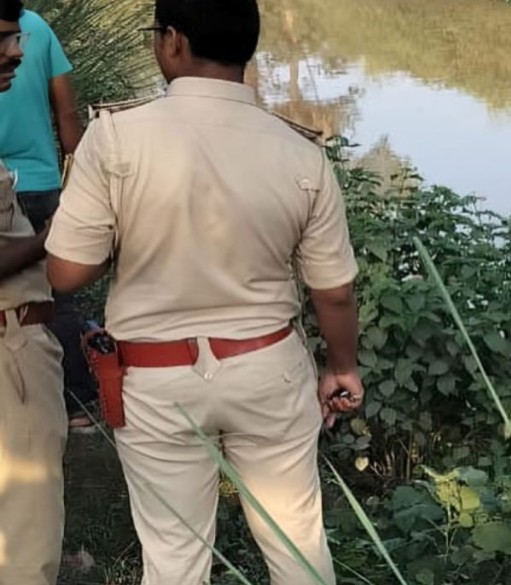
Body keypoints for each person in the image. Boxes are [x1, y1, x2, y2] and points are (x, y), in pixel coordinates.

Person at [44, 0, 364, 583]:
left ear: (172, 42)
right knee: (297, 543)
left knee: (174, 556)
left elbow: (65, 274)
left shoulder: (115, 138)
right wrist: (342, 367)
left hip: (154, 378)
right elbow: (334, 292)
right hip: (268, 367)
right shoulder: (299, 150)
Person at [0, 6, 97, 432]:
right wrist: (84, 178)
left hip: (8, 181)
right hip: (40, 182)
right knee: (57, 293)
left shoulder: (23, 29)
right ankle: (77, 404)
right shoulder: (36, 26)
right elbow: (66, 112)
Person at [0, 0, 69, 583]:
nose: (17, 53)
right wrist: (52, 236)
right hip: (9, 351)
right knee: (28, 531)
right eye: (2, 40)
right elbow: (70, 122)